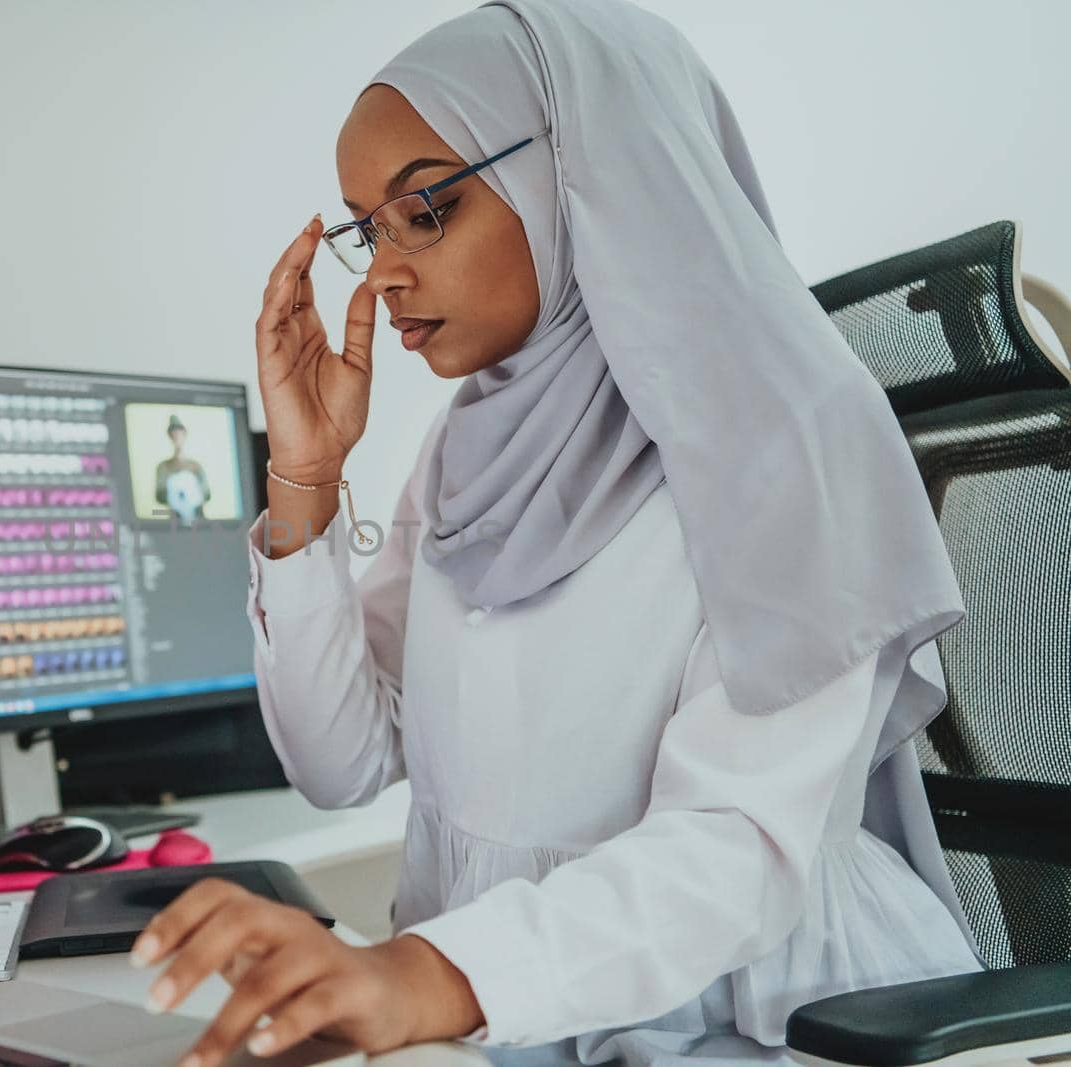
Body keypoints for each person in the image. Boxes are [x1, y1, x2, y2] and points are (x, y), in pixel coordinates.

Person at [128, 2, 984, 1065]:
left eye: (428, 208)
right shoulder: (470, 444)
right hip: (495, 1009)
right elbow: (340, 764)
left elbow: (735, 854)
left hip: (753, 1019)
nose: (386, 271)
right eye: (366, 228)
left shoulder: (793, 434)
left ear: (584, 173)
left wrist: (425, 976)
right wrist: (305, 479)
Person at [154, 413, 212, 525]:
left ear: (184, 434)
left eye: (179, 433)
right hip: (175, 521)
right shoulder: (163, 467)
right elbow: (159, 496)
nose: (176, 437)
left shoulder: (196, 466)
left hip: (198, 520)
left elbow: (207, 494)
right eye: (173, 434)